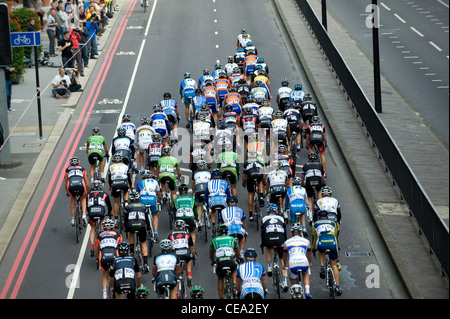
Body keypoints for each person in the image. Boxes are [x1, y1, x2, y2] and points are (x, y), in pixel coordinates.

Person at [312, 210, 342, 296]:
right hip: (332, 243)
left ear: (318, 217)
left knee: (320, 250)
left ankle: (322, 267)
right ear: (327, 217)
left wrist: (314, 249)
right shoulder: (333, 223)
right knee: (334, 264)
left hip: (321, 243)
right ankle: (338, 286)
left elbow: (314, 238)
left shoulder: (316, 224)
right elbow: (336, 236)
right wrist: (338, 249)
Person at [282, 223, 313, 299]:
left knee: (292, 278)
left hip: (293, 263)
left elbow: (285, 256)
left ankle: (296, 290)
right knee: (305, 273)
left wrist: (284, 264)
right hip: (304, 261)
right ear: (301, 232)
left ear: (291, 233)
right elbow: (309, 254)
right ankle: (307, 292)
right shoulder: (306, 241)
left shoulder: (287, 242)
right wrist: (310, 262)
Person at [209, 224, 240, 299]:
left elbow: (211, 253)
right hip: (230, 260)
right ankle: (234, 286)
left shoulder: (213, 240)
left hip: (220, 262)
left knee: (220, 277)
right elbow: (237, 251)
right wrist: (238, 259)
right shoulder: (232, 239)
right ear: (227, 232)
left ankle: (221, 297)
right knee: (234, 270)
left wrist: (213, 261)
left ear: (218, 232)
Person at [124, 190, 151, 273]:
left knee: (131, 232)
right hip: (141, 225)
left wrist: (126, 229)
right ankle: (145, 264)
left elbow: (125, 220)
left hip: (131, 225)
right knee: (143, 242)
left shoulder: (128, 207)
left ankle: (131, 252)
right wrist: (149, 228)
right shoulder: (143, 206)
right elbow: (147, 219)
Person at [94, 218, 122, 299]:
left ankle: (104, 293)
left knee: (105, 274)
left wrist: (96, 258)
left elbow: (97, 250)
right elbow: (121, 247)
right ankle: (115, 288)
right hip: (114, 255)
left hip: (103, 256)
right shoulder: (117, 234)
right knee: (116, 272)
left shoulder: (99, 235)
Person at [86, 179, 112, 257]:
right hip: (101, 211)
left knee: (93, 228)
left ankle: (92, 246)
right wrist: (110, 212)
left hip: (92, 211)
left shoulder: (88, 194)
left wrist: (88, 213)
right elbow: (109, 206)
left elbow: (87, 206)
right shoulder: (104, 194)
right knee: (102, 221)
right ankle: (103, 238)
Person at [260, 204, 287, 277]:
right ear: (276, 211)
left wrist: (262, 243)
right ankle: (285, 282)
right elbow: (285, 232)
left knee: (268, 247)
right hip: (280, 238)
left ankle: (269, 266)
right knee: (282, 259)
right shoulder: (281, 218)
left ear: (267, 212)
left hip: (269, 238)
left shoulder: (264, 218)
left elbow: (263, 233)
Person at [168, 219, 196, 287]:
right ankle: (189, 275)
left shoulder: (171, 235)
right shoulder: (187, 235)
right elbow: (192, 249)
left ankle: (177, 278)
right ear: (184, 227)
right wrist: (194, 256)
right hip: (186, 252)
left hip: (175, 253)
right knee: (189, 260)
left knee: (177, 265)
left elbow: (169, 248)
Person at [204, 169, 232, 237]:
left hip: (212, 200)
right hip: (222, 200)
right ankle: (221, 225)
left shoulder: (209, 183)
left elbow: (205, 196)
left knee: (213, 211)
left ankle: (213, 224)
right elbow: (229, 195)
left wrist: (207, 205)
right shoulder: (225, 182)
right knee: (223, 211)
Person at [218, 196, 248, 260]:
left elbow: (222, 225)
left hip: (229, 231)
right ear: (236, 204)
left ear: (226, 204)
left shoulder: (223, 211)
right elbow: (244, 224)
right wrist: (245, 231)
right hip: (239, 230)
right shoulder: (240, 210)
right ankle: (241, 251)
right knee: (243, 235)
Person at [135, 170, 162, 241]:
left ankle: (146, 229)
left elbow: (136, 194)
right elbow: (158, 193)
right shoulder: (155, 181)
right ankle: (155, 232)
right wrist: (160, 200)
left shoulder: (139, 182)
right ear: (150, 176)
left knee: (143, 215)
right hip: (152, 198)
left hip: (143, 198)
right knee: (155, 215)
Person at [64, 156, 90, 226]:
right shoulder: (82, 169)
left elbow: (66, 183)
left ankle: (73, 219)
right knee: (83, 198)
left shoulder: (67, 170)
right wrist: (89, 191)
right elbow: (87, 183)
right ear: (78, 163)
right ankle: (84, 214)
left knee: (73, 198)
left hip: (71, 186)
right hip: (81, 186)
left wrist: (67, 192)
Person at [107, 154, 131, 226]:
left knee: (115, 202)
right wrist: (130, 185)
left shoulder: (111, 167)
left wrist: (110, 186)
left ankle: (116, 220)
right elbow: (129, 178)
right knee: (126, 191)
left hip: (115, 183)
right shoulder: (126, 166)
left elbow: (109, 178)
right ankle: (126, 203)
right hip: (123, 182)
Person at [242, 150, 265, 222]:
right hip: (258, 175)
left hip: (250, 177)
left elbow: (244, 176)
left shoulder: (246, 163)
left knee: (250, 194)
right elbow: (263, 174)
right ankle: (261, 195)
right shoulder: (259, 161)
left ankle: (251, 215)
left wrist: (244, 183)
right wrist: (264, 182)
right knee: (260, 181)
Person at [191, 160, 211, 230]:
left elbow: (193, 185)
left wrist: (193, 192)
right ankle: (210, 211)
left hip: (198, 190)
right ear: (205, 166)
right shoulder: (209, 172)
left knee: (199, 206)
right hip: (206, 190)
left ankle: (199, 221)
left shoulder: (195, 173)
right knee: (209, 201)